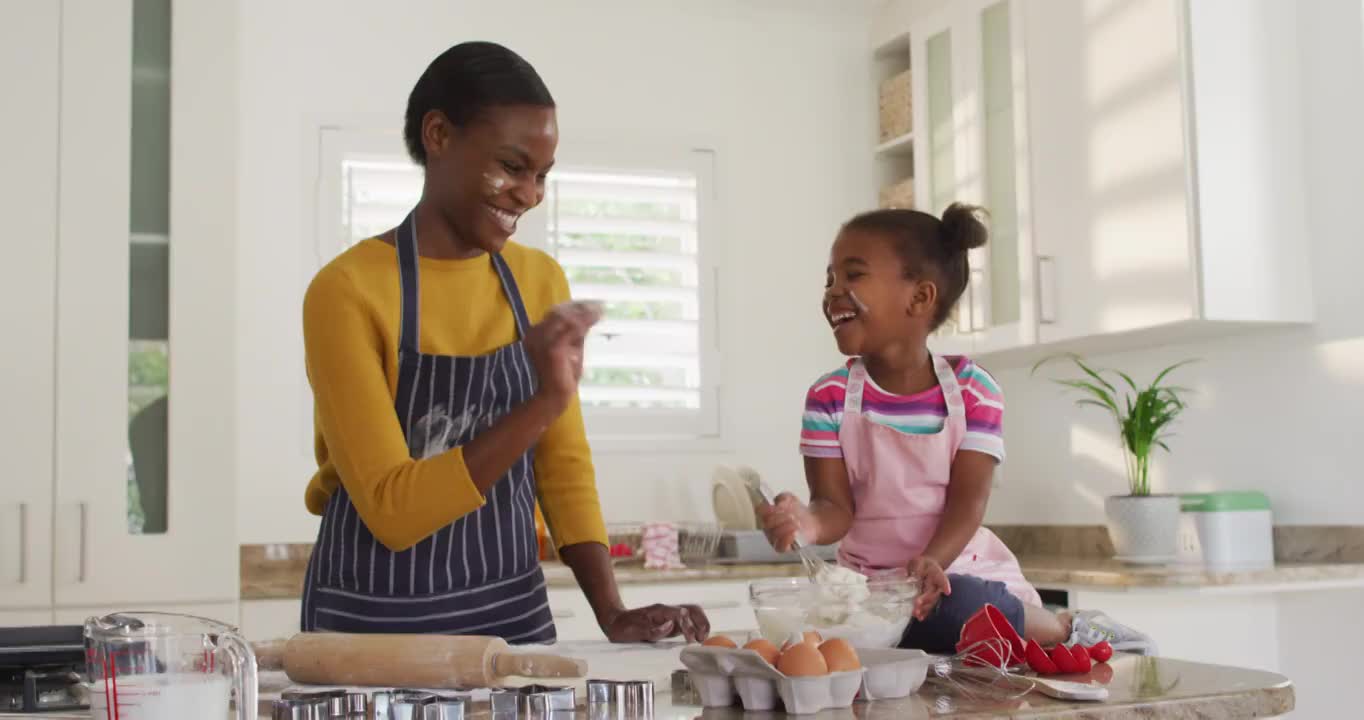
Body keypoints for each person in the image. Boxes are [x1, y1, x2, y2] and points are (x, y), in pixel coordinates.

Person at [299, 41, 708, 644]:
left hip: (510, 622)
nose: (531, 194)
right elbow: (393, 509)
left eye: (542, 176)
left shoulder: (538, 280)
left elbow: (562, 463)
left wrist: (612, 611)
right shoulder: (347, 291)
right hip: (375, 631)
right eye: (513, 167)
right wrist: (543, 403)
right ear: (437, 134)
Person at [760, 205, 1154, 655]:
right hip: (869, 588)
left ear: (920, 298)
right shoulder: (827, 397)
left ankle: (1069, 630)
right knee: (832, 627)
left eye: (854, 276)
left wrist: (934, 561)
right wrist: (807, 523)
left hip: (955, 568)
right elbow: (835, 508)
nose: (834, 293)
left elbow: (969, 501)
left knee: (957, 607)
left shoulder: (973, 390)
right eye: (830, 279)